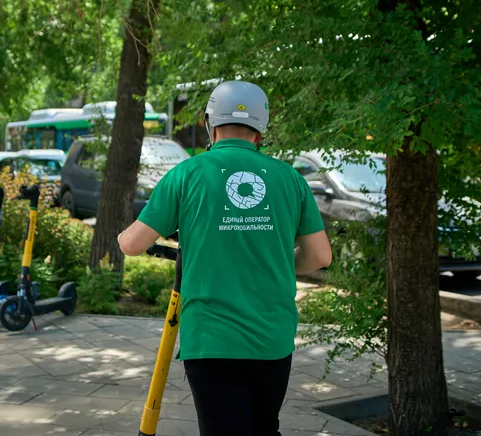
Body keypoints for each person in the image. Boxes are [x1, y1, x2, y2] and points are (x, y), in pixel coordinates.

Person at [117, 80, 332, 436]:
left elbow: (133, 245)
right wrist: (280, 265)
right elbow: (320, 256)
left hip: (211, 340)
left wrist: (124, 235)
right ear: (261, 130)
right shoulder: (290, 179)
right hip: (271, 338)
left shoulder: (186, 174)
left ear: (209, 125)